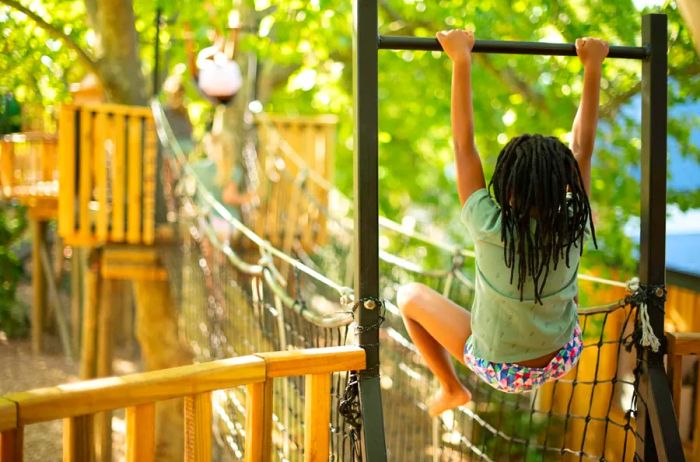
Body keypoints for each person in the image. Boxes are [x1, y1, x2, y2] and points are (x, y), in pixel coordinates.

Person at [397, 30, 608, 416]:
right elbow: (582, 147)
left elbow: (464, 147)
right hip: (562, 357)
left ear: (506, 187)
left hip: (498, 368)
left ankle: (451, 388)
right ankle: (536, 338)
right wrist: (593, 66)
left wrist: (461, 60)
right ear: (564, 184)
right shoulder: (573, 221)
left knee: (408, 296)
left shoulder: (489, 223)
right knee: (560, 279)